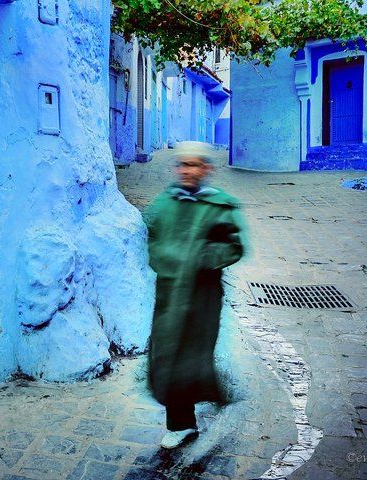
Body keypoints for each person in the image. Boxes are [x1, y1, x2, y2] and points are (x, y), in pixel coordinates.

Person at [142, 141, 245, 449]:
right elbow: (149, 236)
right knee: (167, 354)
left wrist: (203, 257)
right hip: (170, 295)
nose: (187, 171)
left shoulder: (219, 206)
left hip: (202, 298)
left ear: (206, 169)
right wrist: (165, 259)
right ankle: (181, 422)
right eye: (182, 165)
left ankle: (187, 418)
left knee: (192, 356)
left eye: (194, 165)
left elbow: (234, 247)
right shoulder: (164, 203)